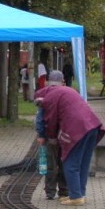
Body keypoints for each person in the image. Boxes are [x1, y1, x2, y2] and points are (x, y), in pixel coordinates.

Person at [34, 70, 105, 206]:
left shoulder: (49, 98)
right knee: (83, 164)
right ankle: (80, 194)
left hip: (78, 130)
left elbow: (50, 120)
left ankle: (75, 197)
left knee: (70, 163)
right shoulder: (67, 91)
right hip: (93, 126)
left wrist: (50, 137)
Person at [34, 70, 69, 200]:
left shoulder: (45, 95)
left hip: (49, 136)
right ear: (63, 82)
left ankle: (50, 191)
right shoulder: (66, 95)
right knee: (63, 163)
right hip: (64, 137)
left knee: (51, 165)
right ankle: (64, 191)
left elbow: (40, 118)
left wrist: (41, 134)